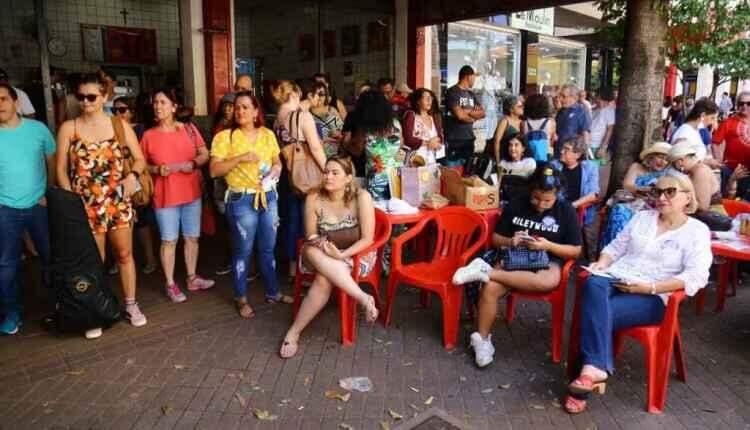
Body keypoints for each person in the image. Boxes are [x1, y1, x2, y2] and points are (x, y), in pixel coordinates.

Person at [564, 172, 711, 414]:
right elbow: (614, 248)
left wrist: (650, 288)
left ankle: (589, 372)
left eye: (670, 192)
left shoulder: (697, 232)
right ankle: (593, 370)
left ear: (687, 197)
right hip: (616, 279)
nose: (662, 197)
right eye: (658, 192)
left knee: (596, 311)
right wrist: (602, 263)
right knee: (592, 282)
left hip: (652, 297)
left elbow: (696, 277)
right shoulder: (643, 217)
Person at [452, 167, 582, 367]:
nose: (540, 204)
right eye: (536, 198)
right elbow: (496, 239)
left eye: (547, 200)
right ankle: (483, 340)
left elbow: (575, 250)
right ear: (531, 190)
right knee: (490, 289)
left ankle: (485, 271)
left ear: (557, 195)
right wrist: (512, 241)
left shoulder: (566, 211)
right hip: (515, 256)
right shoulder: (516, 204)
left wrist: (548, 245)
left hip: (548, 260)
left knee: (546, 280)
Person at [56, 73, 147, 337]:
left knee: (125, 255)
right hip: (85, 205)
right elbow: (61, 170)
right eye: (80, 96)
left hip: (118, 202)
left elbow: (139, 159)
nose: (85, 102)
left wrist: (132, 176)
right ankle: (94, 309)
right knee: (93, 262)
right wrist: (71, 201)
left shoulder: (119, 125)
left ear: (104, 96)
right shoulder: (68, 128)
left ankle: (130, 304)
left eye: (91, 96)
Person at [279, 155, 379, 358]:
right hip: (321, 251)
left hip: (355, 254)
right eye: (326, 172)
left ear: (348, 178)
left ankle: (294, 332)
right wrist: (329, 250)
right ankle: (362, 296)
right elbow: (311, 235)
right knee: (315, 254)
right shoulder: (314, 197)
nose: (328, 177)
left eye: (335, 173)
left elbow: (367, 239)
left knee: (324, 279)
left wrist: (342, 255)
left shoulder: (362, 197)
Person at [210, 92, 291, 318]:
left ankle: (273, 292)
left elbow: (277, 161)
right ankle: (241, 298)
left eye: (246, 107)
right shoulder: (224, 137)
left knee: (267, 249)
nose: (240, 111)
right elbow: (214, 170)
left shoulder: (267, 134)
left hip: (268, 197)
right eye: (237, 108)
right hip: (240, 199)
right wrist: (239, 158)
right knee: (242, 251)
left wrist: (277, 169)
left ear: (256, 111)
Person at [140, 88, 214, 303]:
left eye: (163, 102)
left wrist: (192, 164)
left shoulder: (189, 129)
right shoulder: (149, 135)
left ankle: (192, 278)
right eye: (155, 102)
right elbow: (140, 164)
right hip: (165, 196)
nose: (158, 106)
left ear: (174, 107)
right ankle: (170, 283)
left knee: (192, 237)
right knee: (169, 240)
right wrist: (156, 170)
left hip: (191, 192)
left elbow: (204, 154)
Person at [0, 84, 55, 335]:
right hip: (5, 208)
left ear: (16, 102)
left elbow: (52, 160)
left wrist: (49, 193)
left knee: (51, 258)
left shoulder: (38, 130)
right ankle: (13, 312)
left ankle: (59, 303)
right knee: (6, 265)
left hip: (38, 205)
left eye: (3, 99)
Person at [272, 80, 326, 278]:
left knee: (290, 219)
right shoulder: (302, 117)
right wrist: (327, 169)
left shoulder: (277, 119)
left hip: (287, 175)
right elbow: (315, 148)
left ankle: (292, 268)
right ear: (294, 94)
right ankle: (307, 268)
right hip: (305, 176)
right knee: (308, 221)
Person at [112, 96, 158, 275]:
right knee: (118, 224)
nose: (117, 113)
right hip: (116, 180)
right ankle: (121, 259)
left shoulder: (140, 131)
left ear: (131, 112)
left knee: (142, 221)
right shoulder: (109, 128)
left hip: (135, 177)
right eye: (114, 110)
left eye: (122, 110)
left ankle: (149, 259)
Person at [599, 142, 671, 247]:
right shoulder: (636, 167)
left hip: (652, 206)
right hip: (632, 201)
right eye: (660, 157)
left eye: (666, 160)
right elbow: (627, 186)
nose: (662, 162)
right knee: (619, 211)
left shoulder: (666, 175)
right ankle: (613, 250)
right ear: (651, 157)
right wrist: (644, 189)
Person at [347, 90, 403, 201]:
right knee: (395, 207)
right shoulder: (396, 124)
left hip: (376, 177)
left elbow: (357, 151)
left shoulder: (365, 130)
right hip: (396, 174)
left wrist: (345, 144)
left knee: (377, 211)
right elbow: (400, 144)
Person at [550, 136, 600, 225]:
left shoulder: (590, 168)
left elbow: (593, 194)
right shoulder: (554, 165)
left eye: (567, 149)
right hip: (556, 206)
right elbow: (548, 187)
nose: (561, 151)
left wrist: (572, 206)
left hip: (576, 208)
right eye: (562, 148)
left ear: (577, 154)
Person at [444, 65, 485, 166]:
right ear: (468, 77)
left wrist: (466, 111)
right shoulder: (452, 92)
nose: (475, 80)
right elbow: (460, 116)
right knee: (454, 171)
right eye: (474, 77)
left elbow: (483, 113)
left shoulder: (471, 94)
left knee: (468, 170)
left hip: (469, 139)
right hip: (454, 139)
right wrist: (472, 115)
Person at [669, 139, 720, 212]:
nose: (675, 168)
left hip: (712, 215)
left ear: (679, 162)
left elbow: (703, 206)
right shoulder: (694, 170)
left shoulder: (700, 172)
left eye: (673, 164)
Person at [670, 98, 720, 168]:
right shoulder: (685, 132)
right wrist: (706, 162)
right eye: (712, 118)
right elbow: (678, 160)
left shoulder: (695, 131)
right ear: (702, 115)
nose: (713, 122)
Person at [401, 88, 444, 165]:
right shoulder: (411, 115)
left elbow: (440, 136)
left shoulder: (434, 117)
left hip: (432, 160)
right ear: (418, 101)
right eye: (426, 98)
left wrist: (437, 141)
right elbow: (408, 139)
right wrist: (428, 143)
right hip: (415, 161)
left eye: (431, 98)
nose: (429, 100)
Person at [712, 91, 750, 169]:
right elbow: (715, 142)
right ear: (737, 105)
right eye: (741, 103)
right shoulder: (727, 122)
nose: (745, 106)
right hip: (731, 169)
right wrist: (719, 162)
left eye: (749, 103)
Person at [309, 81, 344, 158]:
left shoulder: (332, 110)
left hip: (335, 154)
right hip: (316, 155)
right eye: (315, 94)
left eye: (321, 94)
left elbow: (343, 132)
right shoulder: (307, 113)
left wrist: (338, 134)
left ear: (326, 96)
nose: (318, 97)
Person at [555, 84, 591, 156]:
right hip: (558, 151)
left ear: (573, 97)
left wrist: (584, 154)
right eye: (560, 96)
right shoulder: (561, 111)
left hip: (572, 154)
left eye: (564, 96)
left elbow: (585, 133)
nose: (560, 99)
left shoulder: (581, 112)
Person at [489, 95, 524, 164]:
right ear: (511, 109)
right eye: (519, 106)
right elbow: (496, 141)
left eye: (522, 105)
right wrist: (498, 162)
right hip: (504, 158)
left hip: (517, 160)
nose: (522, 108)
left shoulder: (522, 122)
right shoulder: (505, 121)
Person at [524, 93, 557, 163]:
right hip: (546, 155)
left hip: (529, 156)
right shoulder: (551, 122)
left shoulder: (524, 123)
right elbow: (552, 141)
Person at [589, 88, 616, 162]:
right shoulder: (595, 109)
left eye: (597, 96)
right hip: (588, 142)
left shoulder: (609, 111)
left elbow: (610, 130)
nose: (595, 98)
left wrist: (603, 147)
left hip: (597, 144)